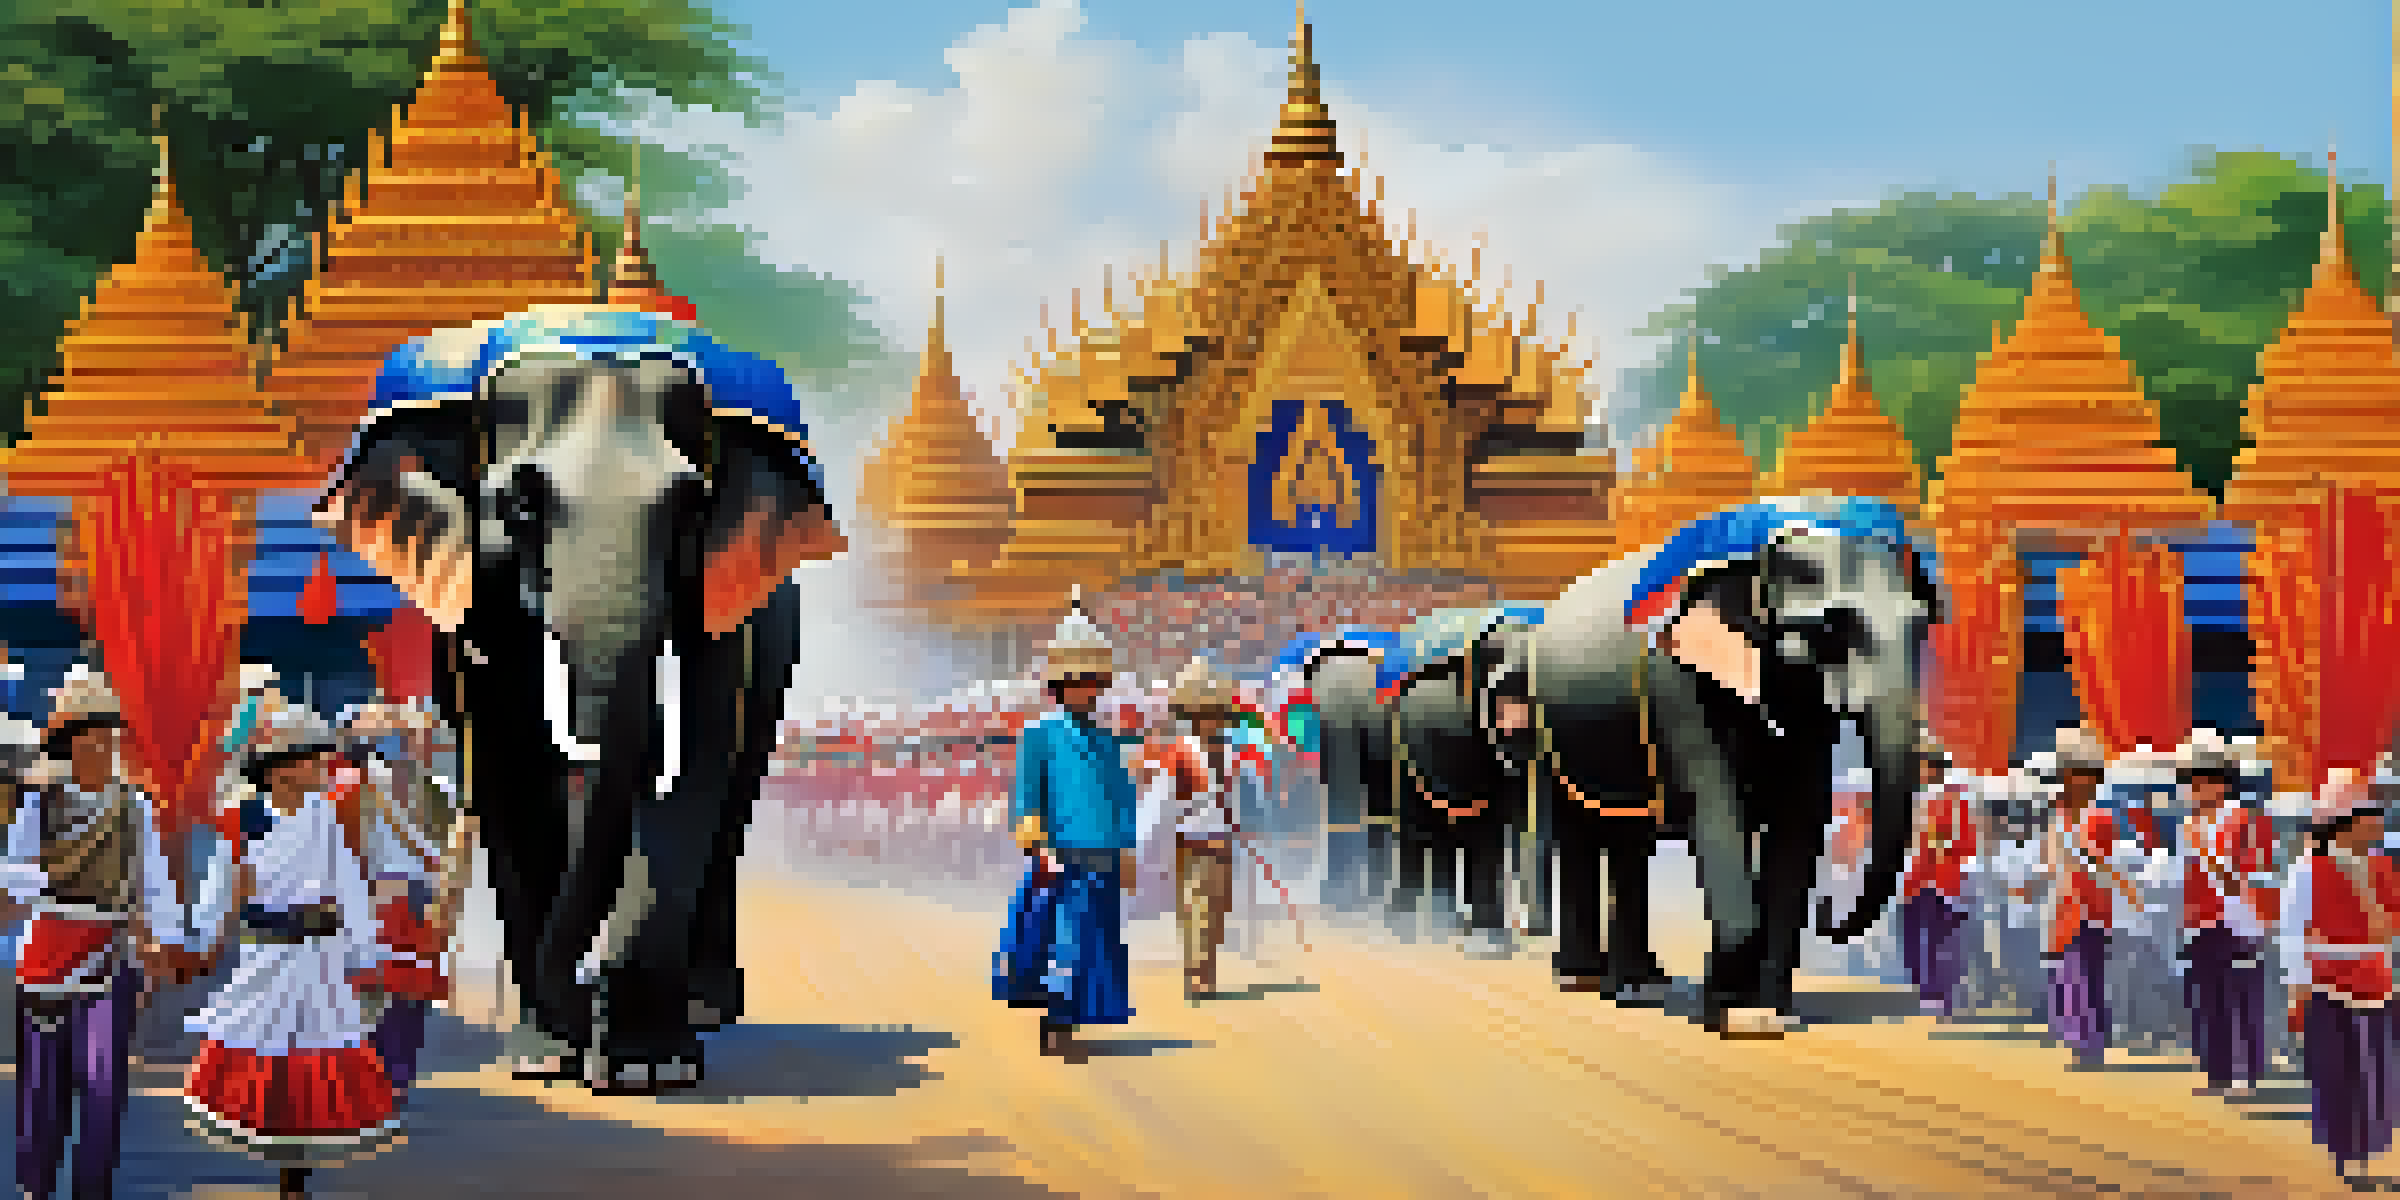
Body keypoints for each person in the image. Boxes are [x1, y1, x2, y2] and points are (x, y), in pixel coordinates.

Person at [182, 707, 400, 1199]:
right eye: (311, 758)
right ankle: (283, 1165)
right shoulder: (242, 819)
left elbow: (348, 888)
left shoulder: (326, 819)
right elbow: (220, 889)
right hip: (266, 958)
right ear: (281, 768)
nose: (323, 767)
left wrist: (367, 956)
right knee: (266, 1059)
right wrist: (203, 937)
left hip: (317, 960)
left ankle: (295, 1179)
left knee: (314, 1059)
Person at [0, 669, 194, 1200]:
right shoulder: (39, 805)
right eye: (94, 738)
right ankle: (36, 1187)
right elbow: (10, 870)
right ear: (71, 745)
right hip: (45, 956)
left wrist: (167, 941)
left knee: (103, 1086)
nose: (105, 749)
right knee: (41, 1088)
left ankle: (92, 1191)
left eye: (111, 738)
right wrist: (51, 879)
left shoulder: (135, 809)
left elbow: (154, 881)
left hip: (110, 956)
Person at [994, 589, 1140, 1064]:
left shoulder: (1110, 739)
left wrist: (1129, 850)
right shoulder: (1039, 734)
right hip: (1060, 859)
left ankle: (1075, 1018)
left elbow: (1122, 799)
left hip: (1104, 859)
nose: (1084, 688)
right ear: (1058, 685)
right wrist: (1039, 848)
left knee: (1096, 943)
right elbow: (1027, 797)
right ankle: (1055, 1024)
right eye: (1074, 680)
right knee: (1063, 942)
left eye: (1091, 680)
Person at [2279, 767, 2400, 1180]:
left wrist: (2363, 883)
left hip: (2378, 984)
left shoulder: (2382, 869)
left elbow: (2389, 928)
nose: (2379, 821)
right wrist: (2296, 994)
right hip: (2328, 986)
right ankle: (2349, 1154)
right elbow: (2293, 938)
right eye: (2371, 814)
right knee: (2340, 1074)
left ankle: (2366, 1147)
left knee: (2378, 1075)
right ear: (2345, 823)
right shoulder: (2306, 871)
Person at [1136, 659, 1272, 1001]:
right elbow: (1160, 798)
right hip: (1191, 840)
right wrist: (1139, 839)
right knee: (1194, 905)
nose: (1210, 719)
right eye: (1204, 713)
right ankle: (1195, 972)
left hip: (1224, 841)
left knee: (1218, 907)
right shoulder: (1180, 752)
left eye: (1215, 712)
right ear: (1193, 715)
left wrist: (1251, 826)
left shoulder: (1231, 752)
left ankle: (1205, 967)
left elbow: (1245, 795)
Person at [2179, 728, 2273, 1098]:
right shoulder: (2190, 824)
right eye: (2187, 780)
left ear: (2220, 783)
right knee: (2208, 999)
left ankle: (2244, 1073)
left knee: (2239, 997)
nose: (2191, 788)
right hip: (2201, 924)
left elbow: (2239, 881)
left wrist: (2201, 847)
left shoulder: (2242, 819)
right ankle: (2217, 1071)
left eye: (2199, 780)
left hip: (2238, 923)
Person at [2041, 725, 2140, 1070]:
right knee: (2068, 977)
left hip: (2089, 911)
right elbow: (2052, 863)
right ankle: (2078, 1040)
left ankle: (2090, 1044)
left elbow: (2097, 864)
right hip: (2063, 910)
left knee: (2087, 978)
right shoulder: (2059, 817)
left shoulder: (2098, 818)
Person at [1899, 735, 1976, 1020]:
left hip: (1942, 882)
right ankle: (1925, 990)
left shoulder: (1955, 797)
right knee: (1912, 940)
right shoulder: (1911, 797)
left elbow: (1965, 841)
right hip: (1913, 879)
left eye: (1925, 764)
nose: (1921, 770)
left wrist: (1938, 841)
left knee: (1937, 941)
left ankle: (1939, 994)